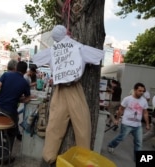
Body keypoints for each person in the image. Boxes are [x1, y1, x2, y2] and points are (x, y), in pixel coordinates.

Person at [32, 25, 104, 164]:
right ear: (67, 33)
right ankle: (83, 160)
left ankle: (48, 157)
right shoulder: (79, 47)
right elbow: (98, 56)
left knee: (54, 126)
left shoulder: (53, 50)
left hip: (60, 90)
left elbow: (36, 59)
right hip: (73, 89)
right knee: (82, 126)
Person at [0, 61, 31, 164]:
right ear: (25, 71)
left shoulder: (6, 74)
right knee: (11, 133)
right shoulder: (25, 83)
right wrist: (18, 98)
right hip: (10, 113)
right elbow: (26, 99)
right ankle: (6, 157)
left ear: (16, 68)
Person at [107, 82, 150, 160]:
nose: (141, 93)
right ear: (135, 90)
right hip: (126, 124)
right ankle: (111, 145)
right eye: (140, 91)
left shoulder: (144, 101)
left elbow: (145, 113)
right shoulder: (127, 99)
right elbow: (120, 110)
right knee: (121, 137)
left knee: (138, 143)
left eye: (143, 91)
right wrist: (117, 119)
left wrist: (147, 124)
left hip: (138, 126)